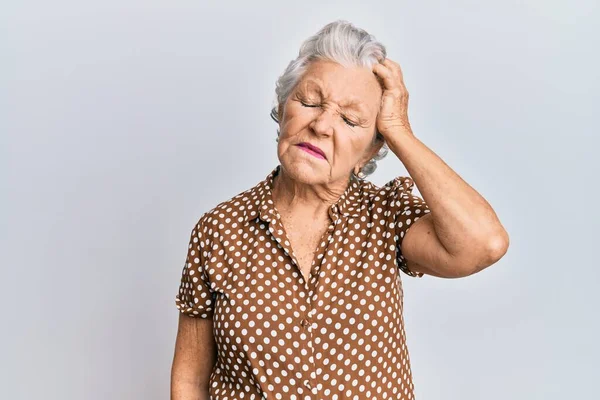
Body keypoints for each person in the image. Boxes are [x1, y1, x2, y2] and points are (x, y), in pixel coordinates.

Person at [170, 20, 509, 400]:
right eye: (310, 101)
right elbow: (190, 380)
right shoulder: (220, 229)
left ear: (369, 152)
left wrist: (398, 129)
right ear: (282, 109)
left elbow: (484, 244)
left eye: (350, 120)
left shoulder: (386, 216)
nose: (322, 125)